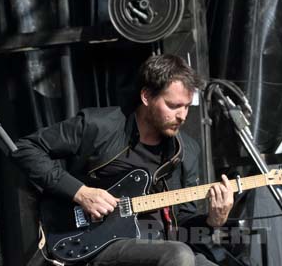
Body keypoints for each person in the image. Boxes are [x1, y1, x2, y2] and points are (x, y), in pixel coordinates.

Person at [12, 54, 234, 266]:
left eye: (186, 106)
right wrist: (81, 193)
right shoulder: (100, 126)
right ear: (146, 96)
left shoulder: (186, 151)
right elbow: (26, 149)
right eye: (173, 105)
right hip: (96, 241)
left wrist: (212, 222)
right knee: (178, 254)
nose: (183, 116)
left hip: (160, 246)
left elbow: (183, 222)